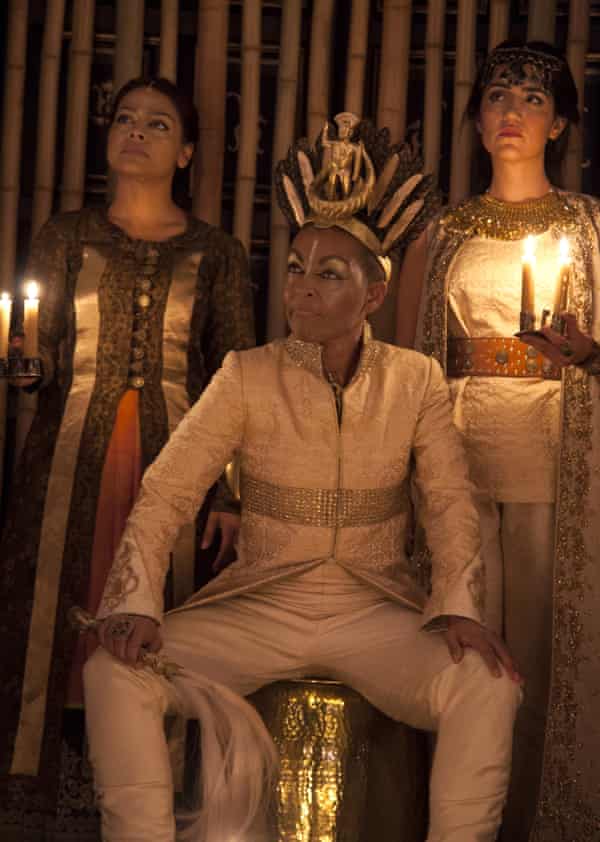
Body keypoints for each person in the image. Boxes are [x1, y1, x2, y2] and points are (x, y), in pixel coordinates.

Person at [82, 115, 522, 842]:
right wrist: (133, 601)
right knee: (111, 669)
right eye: (295, 266)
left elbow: (448, 502)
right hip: (263, 602)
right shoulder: (246, 375)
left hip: (375, 609)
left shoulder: (415, 381)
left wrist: (462, 607)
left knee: (490, 687)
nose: (303, 288)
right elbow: (167, 491)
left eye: (329, 273)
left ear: (374, 297)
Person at [0, 77, 255, 839]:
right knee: (52, 608)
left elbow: (237, 379)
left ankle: (155, 796)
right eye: (124, 120)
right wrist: (22, 362)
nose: (136, 132)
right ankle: (31, 795)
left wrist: (233, 495)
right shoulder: (66, 237)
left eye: (157, 123)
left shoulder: (215, 254)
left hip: (173, 469)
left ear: (185, 151)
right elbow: (35, 354)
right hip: (63, 466)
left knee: (160, 613)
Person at [395, 41, 600, 841]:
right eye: (497, 97)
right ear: (478, 121)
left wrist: (589, 352)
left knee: (548, 655)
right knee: (469, 653)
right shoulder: (442, 235)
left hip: (559, 459)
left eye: (533, 99)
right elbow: (416, 364)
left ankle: (548, 822)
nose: (512, 112)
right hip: (463, 462)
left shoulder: (589, 228)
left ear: (559, 125)